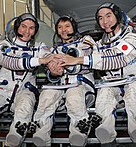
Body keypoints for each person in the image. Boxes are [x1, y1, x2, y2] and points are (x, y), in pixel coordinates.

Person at [59, 2, 136, 146]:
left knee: (133, 89)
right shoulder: (100, 44)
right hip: (114, 86)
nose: (105, 21)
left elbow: (117, 58)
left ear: (117, 16)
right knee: (104, 91)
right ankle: (106, 135)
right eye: (100, 18)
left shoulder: (132, 38)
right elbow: (89, 51)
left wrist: (78, 59)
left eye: (108, 16)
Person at [0, 13, 56, 147]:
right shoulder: (2, 45)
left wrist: (53, 65)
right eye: (24, 26)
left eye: (31, 28)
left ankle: (12, 143)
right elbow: (10, 62)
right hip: (0, 92)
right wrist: (40, 60)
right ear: (17, 27)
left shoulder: (39, 47)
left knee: (23, 114)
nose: (27, 31)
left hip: (25, 91)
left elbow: (49, 57)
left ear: (35, 31)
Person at [30, 15, 97, 147]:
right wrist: (54, 73)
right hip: (60, 88)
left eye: (67, 26)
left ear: (74, 28)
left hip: (82, 86)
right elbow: (50, 71)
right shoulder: (54, 50)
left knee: (74, 96)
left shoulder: (86, 41)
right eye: (60, 27)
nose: (63, 30)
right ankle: (41, 132)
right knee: (46, 95)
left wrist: (69, 62)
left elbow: (87, 58)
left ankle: (79, 132)